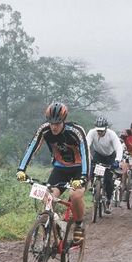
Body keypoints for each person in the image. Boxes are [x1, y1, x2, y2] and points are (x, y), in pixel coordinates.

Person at [16, 102, 90, 242]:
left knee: (75, 195)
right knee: (48, 197)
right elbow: (32, 147)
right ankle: (52, 227)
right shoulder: (44, 130)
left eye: (57, 123)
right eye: (51, 123)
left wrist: (83, 177)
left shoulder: (76, 131)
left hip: (79, 168)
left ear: (64, 120)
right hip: (60, 168)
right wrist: (21, 169)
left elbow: (85, 153)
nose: (54, 126)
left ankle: (79, 224)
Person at [86, 116, 123, 214]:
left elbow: (119, 148)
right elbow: (86, 144)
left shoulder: (112, 134)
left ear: (106, 128)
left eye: (102, 131)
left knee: (108, 180)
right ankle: (93, 184)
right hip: (98, 155)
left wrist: (117, 160)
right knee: (91, 168)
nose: (100, 132)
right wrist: (87, 154)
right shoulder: (92, 132)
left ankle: (108, 200)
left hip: (110, 157)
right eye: (98, 130)